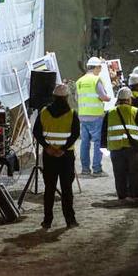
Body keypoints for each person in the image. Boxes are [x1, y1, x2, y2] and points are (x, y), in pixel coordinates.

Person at [33, 81, 81, 228]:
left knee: (49, 189)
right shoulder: (72, 114)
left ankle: (47, 220)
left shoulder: (44, 112)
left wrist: (47, 147)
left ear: (53, 97)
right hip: (66, 156)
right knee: (67, 189)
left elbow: (36, 132)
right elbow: (75, 134)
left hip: (49, 156)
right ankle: (70, 220)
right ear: (66, 97)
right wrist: (63, 149)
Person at [104, 86, 138, 201]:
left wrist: (104, 146)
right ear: (129, 99)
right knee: (136, 173)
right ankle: (137, 195)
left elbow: (103, 131)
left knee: (119, 173)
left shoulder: (110, 113)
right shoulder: (135, 112)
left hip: (115, 149)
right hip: (133, 149)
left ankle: (122, 195)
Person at [76, 56, 112, 177]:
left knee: (84, 143)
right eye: (100, 67)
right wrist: (110, 98)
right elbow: (103, 96)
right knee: (98, 142)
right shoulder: (96, 80)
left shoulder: (79, 81)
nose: (100, 70)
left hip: (83, 116)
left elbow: (77, 98)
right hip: (96, 116)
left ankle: (85, 170)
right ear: (96, 67)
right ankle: (97, 169)